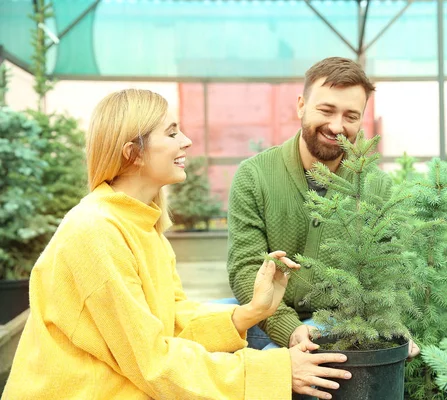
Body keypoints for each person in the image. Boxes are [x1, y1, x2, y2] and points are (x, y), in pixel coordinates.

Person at [1, 89, 351, 400]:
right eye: (171, 133)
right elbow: (152, 363)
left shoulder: (141, 222)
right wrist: (275, 371)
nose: (186, 141)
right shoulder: (96, 232)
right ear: (132, 153)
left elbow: (171, 321)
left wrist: (252, 312)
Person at [227, 57, 421, 358]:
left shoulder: (376, 186)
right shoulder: (255, 175)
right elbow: (245, 267)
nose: (336, 126)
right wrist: (288, 327)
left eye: (350, 116)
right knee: (201, 328)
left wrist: (390, 326)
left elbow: (388, 273)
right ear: (301, 105)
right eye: (326, 110)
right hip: (267, 313)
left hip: (338, 323)